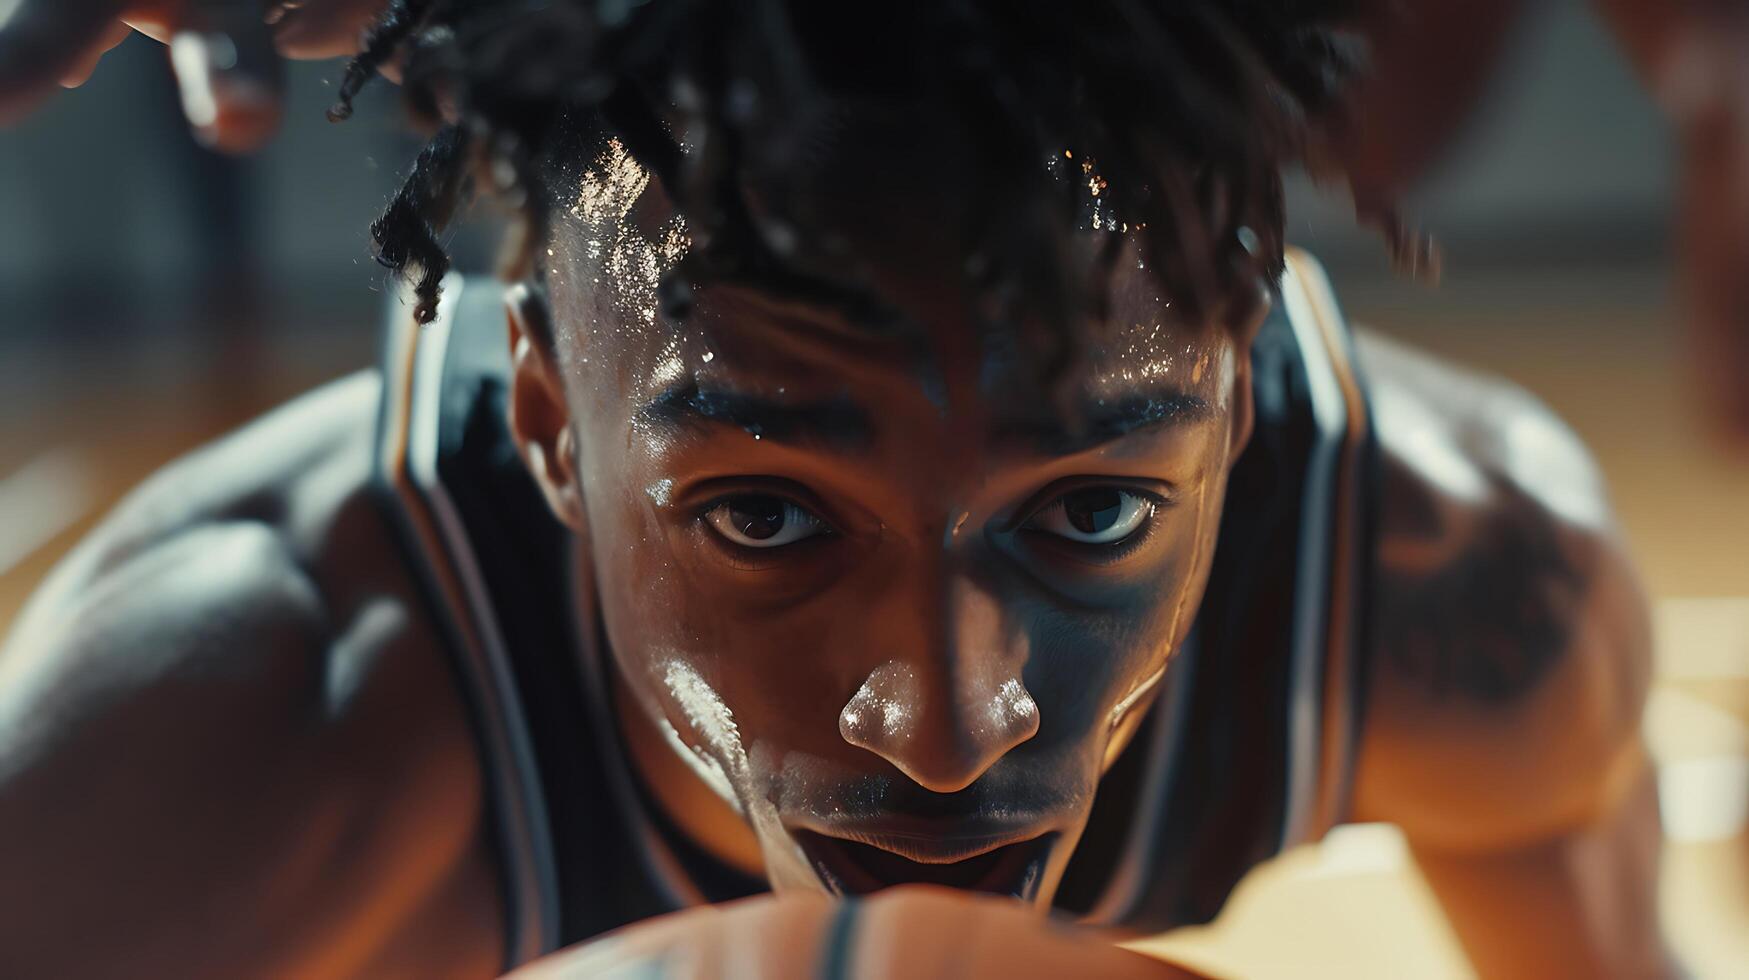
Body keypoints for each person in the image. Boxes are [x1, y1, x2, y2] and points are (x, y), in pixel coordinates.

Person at [0, 2, 1671, 977]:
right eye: (764, 515)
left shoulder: (1459, 596)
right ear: (546, 423)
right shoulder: (234, 738)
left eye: (1088, 516)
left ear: (1233, 403)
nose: (947, 728)